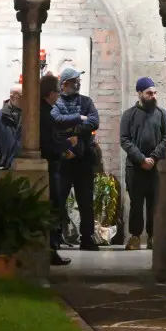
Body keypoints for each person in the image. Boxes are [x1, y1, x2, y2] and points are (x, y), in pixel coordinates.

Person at [51, 67, 100, 251]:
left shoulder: (86, 101)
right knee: (58, 200)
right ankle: (54, 238)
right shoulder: (56, 102)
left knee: (86, 202)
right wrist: (79, 118)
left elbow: (94, 121)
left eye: (78, 80)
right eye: (74, 80)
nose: (78, 83)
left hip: (84, 158)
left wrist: (74, 131)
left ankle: (87, 238)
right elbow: (55, 120)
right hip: (63, 161)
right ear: (64, 84)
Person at [119, 77, 166, 250]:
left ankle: (153, 236)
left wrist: (153, 158)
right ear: (139, 94)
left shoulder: (162, 114)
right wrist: (141, 159)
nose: (153, 96)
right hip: (135, 168)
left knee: (154, 203)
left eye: (155, 93)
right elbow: (125, 140)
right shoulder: (129, 115)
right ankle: (135, 236)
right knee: (136, 204)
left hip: (155, 167)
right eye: (149, 93)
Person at [40, 73, 73, 266]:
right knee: (52, 210)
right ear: (49, 92)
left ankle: (52, 249)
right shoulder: (44, 113)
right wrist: (67, 144)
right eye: (56, 91)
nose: (58, 95)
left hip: (52, 165)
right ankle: (51, 251)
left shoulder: (45, 111)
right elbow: (48, 143)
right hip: (49, 169)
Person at [0, 84, 23, 169]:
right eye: (22, 96)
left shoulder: (30, 118)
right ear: (12, 97)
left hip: (25, 166)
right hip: (3, 167)